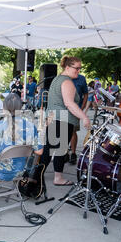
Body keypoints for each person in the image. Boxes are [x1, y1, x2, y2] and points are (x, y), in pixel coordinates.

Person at [0, 93, 43, 211]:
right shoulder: (30, 126)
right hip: (19, 173)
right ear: (21, 108)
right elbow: (39, 151)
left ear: (4, 108)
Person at [39, 56, 91, 186]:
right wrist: (84, 117)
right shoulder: (67, 82)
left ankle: (39, 174)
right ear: (67, 67)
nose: (79, 71)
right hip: (62, 118)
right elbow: (69, 103)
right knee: (58, 149)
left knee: (50, 148)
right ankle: (49, 177)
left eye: (80, 68)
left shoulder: (57, 79)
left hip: (55, 116)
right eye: (77, 68)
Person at [69, 74, 88, 164]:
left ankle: (73, 153)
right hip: (64, 108)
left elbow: (86, 94)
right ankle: (64, 153)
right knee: (63, 131)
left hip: (76, 108)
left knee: (73, 131)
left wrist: (82, 108)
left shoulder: (81, 78)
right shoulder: (63, 76)